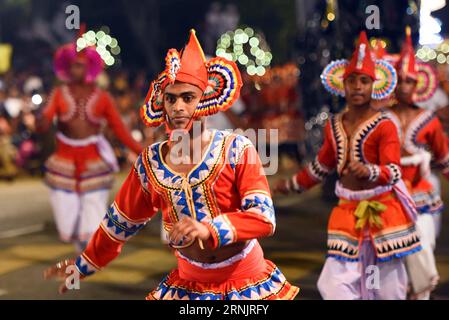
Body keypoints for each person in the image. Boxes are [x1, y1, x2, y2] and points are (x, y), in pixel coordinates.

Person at [44, 29, 299, 300]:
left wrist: (209, 228)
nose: (178, 106)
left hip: (245, 283)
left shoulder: (237, 149)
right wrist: (83, 264)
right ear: (162, 103)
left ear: (205, 99)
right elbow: (118, 224)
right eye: (171, 98)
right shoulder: (150, 163)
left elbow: (263, 217)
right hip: (189, 286)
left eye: (187, 98)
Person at [275, 31, 421, 300]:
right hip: (347, 212)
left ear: (374, 86)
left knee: (387, 291)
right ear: (342, 85)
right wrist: (292, 185)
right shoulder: (334, 124)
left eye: (364, 81)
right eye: (351, 80)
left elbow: (395, 171)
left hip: (383, 211)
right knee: (333, 285)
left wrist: (371, 171)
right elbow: (322, 166)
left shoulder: (385, 125)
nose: (357, 87)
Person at [37, 28, 142, 253]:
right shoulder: (57, 93)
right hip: (64, 158)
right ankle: (81, 244)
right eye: (74, 64)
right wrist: (41, 122)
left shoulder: (103, 98)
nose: (78, 69)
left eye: (82, 64)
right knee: (67, 216)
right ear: (67, 67)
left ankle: (90, 252)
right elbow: (44, 120)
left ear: (89, 67)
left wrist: (142, 151)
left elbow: (120, 130)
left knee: (93, 207)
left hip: (93, 158)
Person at [386, 27, 449, 299]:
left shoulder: (429, 120)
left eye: (409, 81)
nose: (404, 86)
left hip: (422, 195)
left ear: (418, 84)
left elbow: (445, 159)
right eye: (399, 81)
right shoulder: (380, 118)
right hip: (387, 196)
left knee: (423, 245)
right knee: (390, 260)